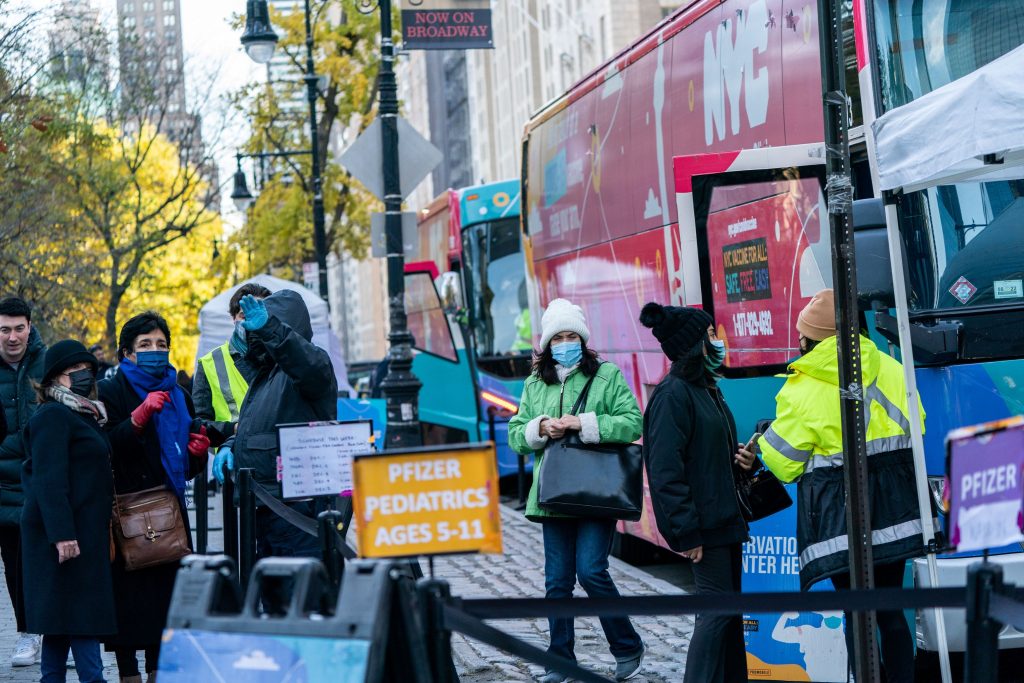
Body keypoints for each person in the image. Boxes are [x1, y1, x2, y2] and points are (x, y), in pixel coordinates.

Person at [737, 289, 924, 682]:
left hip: (841, 518)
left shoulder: (801, 386)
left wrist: (763, 443)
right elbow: (917, 424)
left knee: (858, 614)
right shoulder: (890, 366)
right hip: (897, 509)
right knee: (891, 612)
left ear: (809, 339)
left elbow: (786, 464)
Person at [508, 298, 646, 683]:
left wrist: (582, 423)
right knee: (557, 581)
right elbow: (517, 435)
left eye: (572, 336)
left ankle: (627, 645)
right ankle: (560, 661)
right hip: (553, 493)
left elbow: (632, 423)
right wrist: (540, 428)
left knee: (591, 571)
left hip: (597, 491)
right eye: (558, 337)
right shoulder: (535, 383)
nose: (565, 342)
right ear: (548, 343)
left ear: (582, 340)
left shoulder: (606, 375)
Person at [98, 312, 212, 683]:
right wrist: (135, 420)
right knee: (131, 601)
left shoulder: (179, 394)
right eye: (145, 345)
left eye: (161, 345)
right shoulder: (111, 391)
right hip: (128, 511)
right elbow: (106, 448)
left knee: (165, 601)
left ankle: (157, 673)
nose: (154, 351)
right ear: (127, 353)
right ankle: (128, 673)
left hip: (170, 511)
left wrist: (197, 454)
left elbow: (185, 464)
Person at [639, 302, 749, 683]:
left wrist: (742, 461)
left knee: (729, 615)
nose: (716, 341)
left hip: (725, 520)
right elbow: (665, 471)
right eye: (709, 335)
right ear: (694, 344)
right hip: (705, 525)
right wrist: (687, 531)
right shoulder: (674, 395)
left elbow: (708, 455)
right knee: (717, 613)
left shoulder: (705, 388)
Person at [215, 290, 336, 559]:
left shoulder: (311, 365)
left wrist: (271, 329)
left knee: (299, 593)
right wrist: (231, 445)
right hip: (267, 505)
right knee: (274, 595)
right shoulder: (266, 376)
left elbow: (304, 363)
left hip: (296, 511)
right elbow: (260, 424)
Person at [22, 340, 116, 683]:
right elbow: (48, 478)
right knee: (78, 617)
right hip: (63, 536)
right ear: (55, 378)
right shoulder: (52, 415)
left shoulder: (83, 413)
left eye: (87, 370)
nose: (83, 376)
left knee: (60, 622)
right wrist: (62, 535)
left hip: (81, 533)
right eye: (75, 371)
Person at [0, 296, 46, 666]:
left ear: (29, 327)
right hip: (4, 485)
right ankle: (28, 632)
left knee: (54, 557)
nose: (12, 337)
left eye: (18, 328)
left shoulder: (47, 364)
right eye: (4, 329)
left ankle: (60, 632)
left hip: (45, 479)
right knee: (14, 561)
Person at [192, 283, 269, 442]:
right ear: (233, 318)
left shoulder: (283, 356)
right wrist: (233, 429)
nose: (251, 321)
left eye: (258, 313)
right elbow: (197, 424)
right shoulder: (209, 363)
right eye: (243, 315)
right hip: (232, 459)